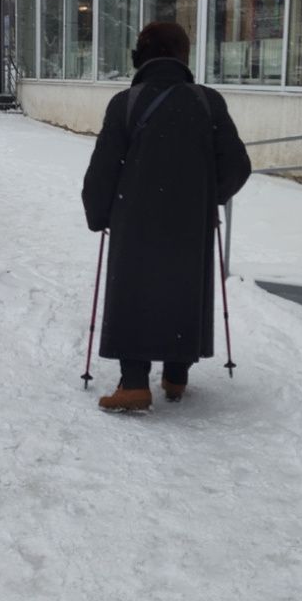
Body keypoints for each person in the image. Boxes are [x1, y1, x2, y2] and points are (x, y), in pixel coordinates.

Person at [81, 22, 252, 412]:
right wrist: (206, 197)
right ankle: (176, 375)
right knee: (184, 284)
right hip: (191, 220)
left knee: (135, 289)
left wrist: (99, 213)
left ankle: (135, 383)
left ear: (140, 56)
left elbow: (104, 168)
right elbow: (237, 165)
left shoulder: (127, 102)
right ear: (182, 56)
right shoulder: (207, 100)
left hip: (135, 216)